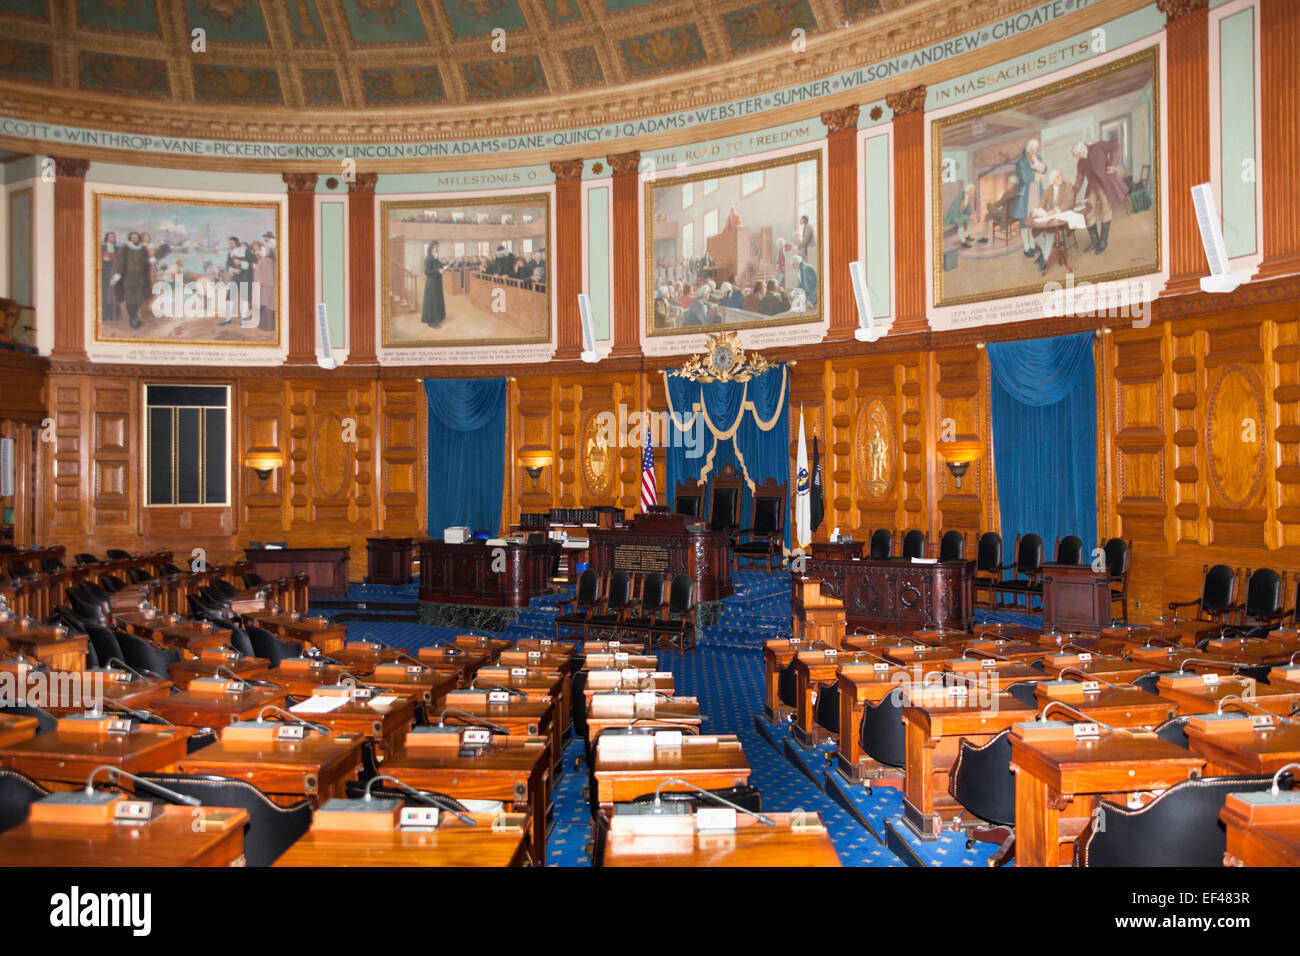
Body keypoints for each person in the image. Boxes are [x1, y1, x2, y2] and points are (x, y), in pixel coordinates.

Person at [1072, 139, 1126, 254]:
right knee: (1088, 212)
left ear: (1083, 150)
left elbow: (1116, 145)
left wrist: (1112, 165)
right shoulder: (1080, 162)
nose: (1078, 158)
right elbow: (1080, 177)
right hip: (1092, 185)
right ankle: (1095, 240)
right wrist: (1074, 190)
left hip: (1104, 182)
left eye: (1078, 155)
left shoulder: (1098, 147)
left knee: (1105, 209)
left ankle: (1103, 241)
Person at [1030, 169, 1077, 273]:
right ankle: (1047, 251)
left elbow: (1069, 202)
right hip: (1052, 217)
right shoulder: (1048, 190)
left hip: (1064, 216)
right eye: (1058, 177)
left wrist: (1055, 210)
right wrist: (1037, 211)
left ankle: (1046, 258)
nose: (1061, 178)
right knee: (1034, 232)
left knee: (1049, 232)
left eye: (1061, 176)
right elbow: (1042, 203)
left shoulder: (1068, 186)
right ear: (1053, 181)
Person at [109, 232, 151, 330]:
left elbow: (146, 263)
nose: (135, 239)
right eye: (133, 237)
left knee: (139, 298)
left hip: (140, 277)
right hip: (129, 277)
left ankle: (135, 317)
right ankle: (132, 319)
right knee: (130, 298)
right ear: (130, 238)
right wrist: (116, 277)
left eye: (136, 237)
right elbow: (121, 263)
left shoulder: (143, 249)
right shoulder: (125, 249)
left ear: (138, 238)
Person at [1013, 138, 1047, 258]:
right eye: (1032, 149)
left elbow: (1045, 170)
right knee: (1024, 222)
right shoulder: (1020, 163)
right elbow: (1024, 179)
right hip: (1026, 196)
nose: (1035, 151)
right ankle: (1027, 248)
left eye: (1036, 149)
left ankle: (1033, 245)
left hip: (1037, 192)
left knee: (1034, 220)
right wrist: (1036, 177)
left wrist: (1037, 163)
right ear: (1028, 149)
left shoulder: (1037, 157)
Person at [251, 239, 276, 331]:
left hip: (264, 286)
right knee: (268, 305)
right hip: (268, 286)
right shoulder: (271, 261)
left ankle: (266, 326)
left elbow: (260, 276)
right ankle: (269, 326)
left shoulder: (264, 261)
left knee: (265, 305)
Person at [421, 240, 446, 328]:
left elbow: (440, 265)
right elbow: (426, 271)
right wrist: (438, 271)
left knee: (437, 301)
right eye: (436, 247)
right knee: (433, 302)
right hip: (431, 283)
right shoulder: (428, 257)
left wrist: (446, 265)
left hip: (436, 282)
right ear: (432, 247)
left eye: (438, 247)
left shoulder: (434, 256)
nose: (438, 249)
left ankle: (437, 318)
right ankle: (432, 322)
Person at [944, 184, 978, 248]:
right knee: (960, 222)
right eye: (972, 191)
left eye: (973, 191)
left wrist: (972, 215)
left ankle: (967, 235)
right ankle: (963, 241)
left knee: (969, 219)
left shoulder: (968, 198)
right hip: (953, 216)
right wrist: (968, 217)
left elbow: (969, 209)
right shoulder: (959, 198)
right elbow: (956, 211)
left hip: (960, 214)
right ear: (967, 191)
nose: (973, 192)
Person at [100, 232, 120, 322]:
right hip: (105, 273)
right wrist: (103, 260)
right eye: (111, 236)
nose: (113, 238)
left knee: (114, 294)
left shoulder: (117, 248)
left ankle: (113, 315)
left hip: (114, 273)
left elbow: (120, 261)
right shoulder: (102, 248)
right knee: (104, 293)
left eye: (114, 236)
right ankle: (104, 314)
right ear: (106, 238)